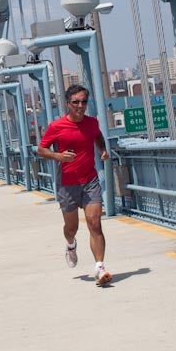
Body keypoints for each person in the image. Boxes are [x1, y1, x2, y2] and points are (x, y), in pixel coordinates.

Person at [37, 84, 112, 287]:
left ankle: (100, 267)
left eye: (83, 101)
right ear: (67, 103)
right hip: (67, 184)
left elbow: (97, 135)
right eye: (76, 102)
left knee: (94, 222)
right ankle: (71, 245)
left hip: (90, 180)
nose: (80, 105)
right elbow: (41, 150)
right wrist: (58, 156)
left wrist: (102, 149)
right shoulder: (57, 126)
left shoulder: (91, 122)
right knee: (72, 228)